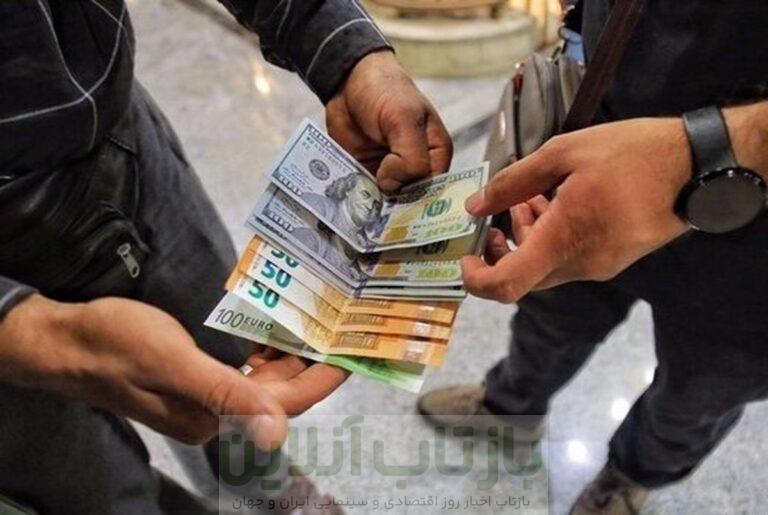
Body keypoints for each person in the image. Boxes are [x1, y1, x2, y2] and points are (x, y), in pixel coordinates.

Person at [0, 1, 451, 513]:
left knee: (233, 361)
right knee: (101, 490)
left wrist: (348, 53)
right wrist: (29, 332)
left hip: (119, 132)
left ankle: (273, 496)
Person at [418, 2, 768, 514]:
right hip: (606, 124)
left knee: (702, 390)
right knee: (550, 317)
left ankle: (631, 476)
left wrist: (717, 148)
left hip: (755, 234)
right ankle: (510, 409)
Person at [303, 172, 385, 248]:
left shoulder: (366, 245)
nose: (370, 206)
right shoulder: (317, 203)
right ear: (348, 190)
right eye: (365, 195)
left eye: (376, 204)